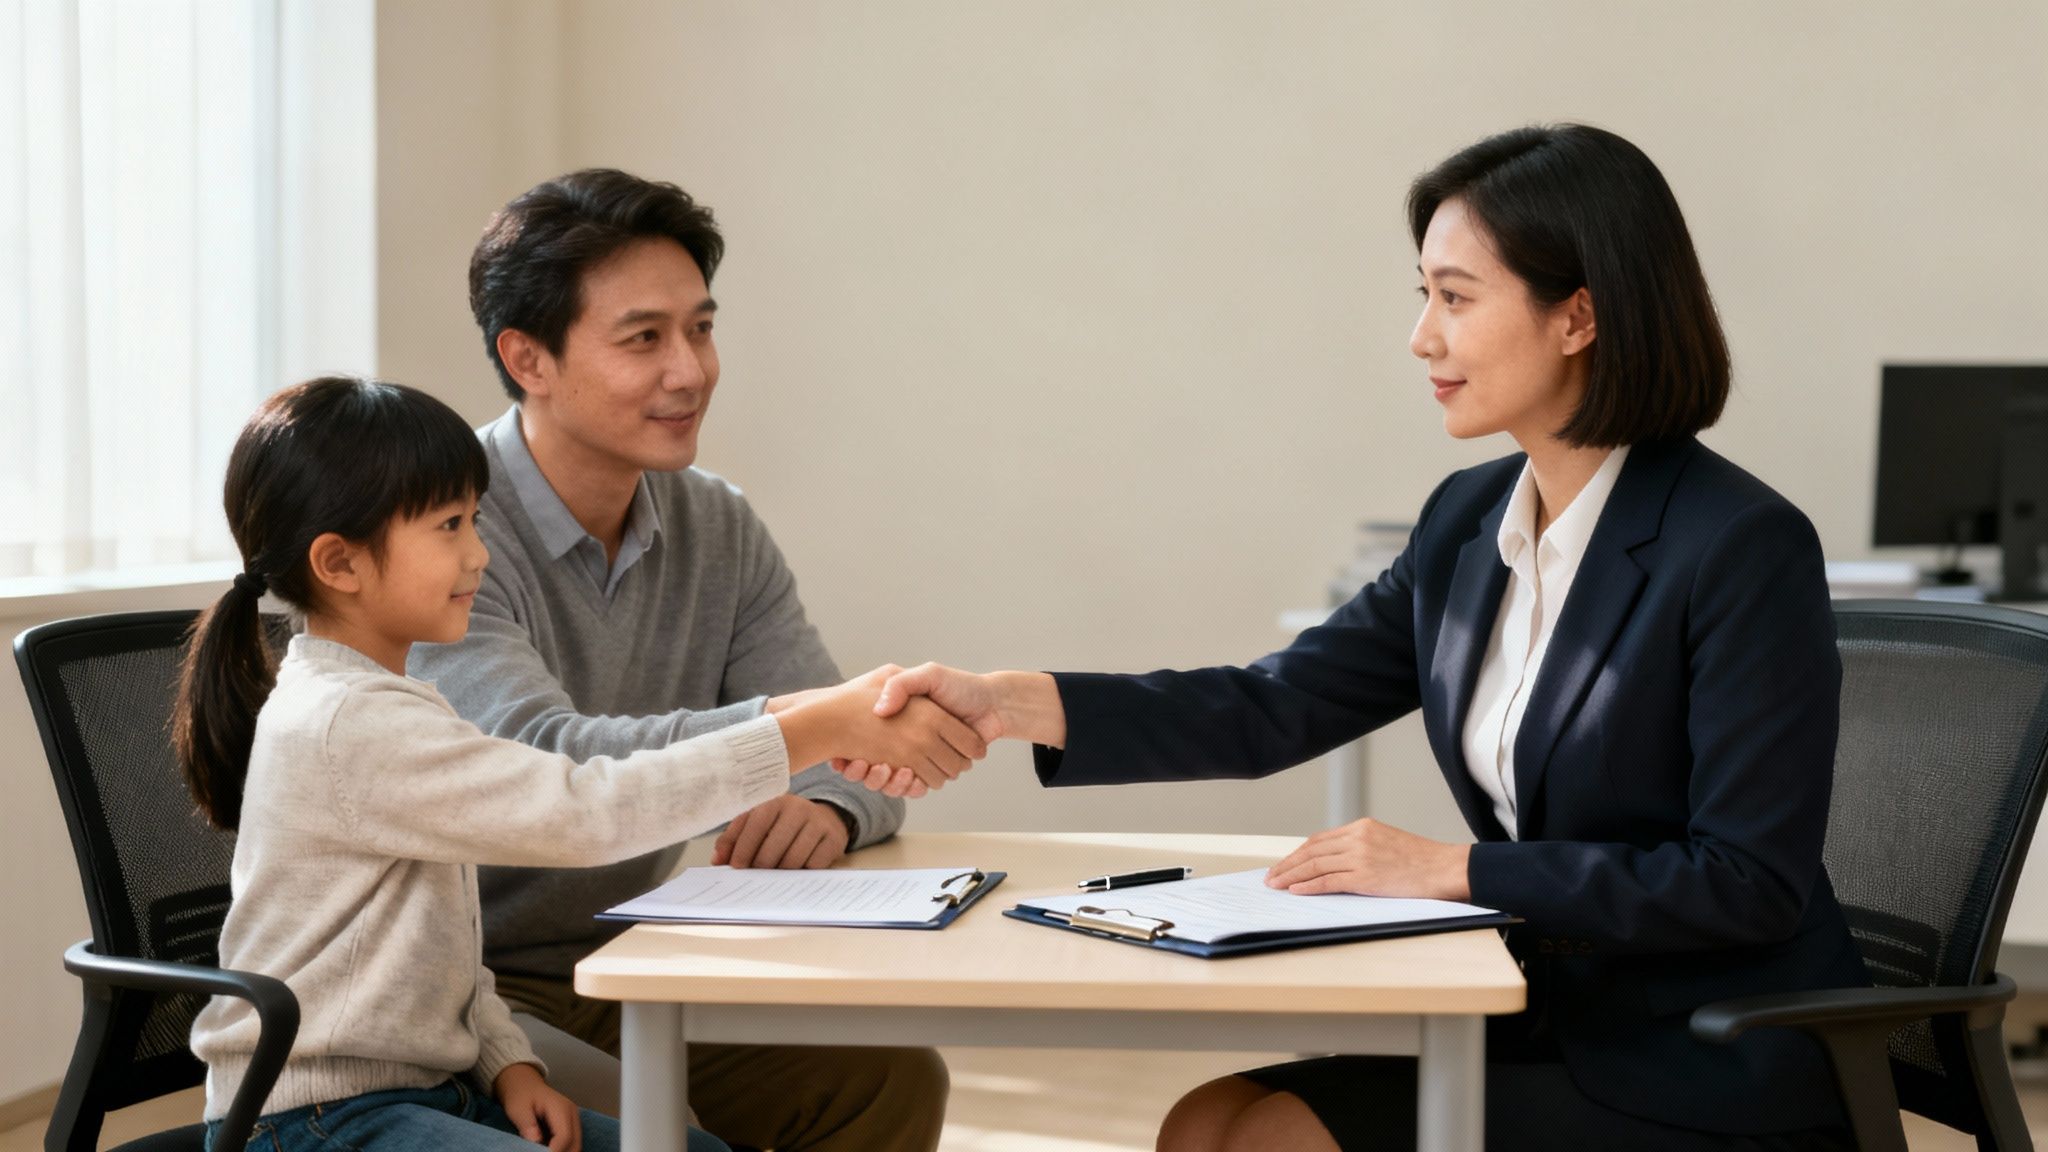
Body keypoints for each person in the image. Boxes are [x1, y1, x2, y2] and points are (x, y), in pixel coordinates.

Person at [845, 125, 1867, 1151]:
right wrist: (1019, 704)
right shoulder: (1466, 524)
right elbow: (1273, 706)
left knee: (1268, 1139)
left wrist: (1453, 870)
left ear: (1577, 317)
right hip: (1539, 1015)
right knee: (1202, 1121)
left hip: (1703, 1061)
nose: (1421, 337)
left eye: (1454, 298)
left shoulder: (1737, 546)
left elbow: (1745, 883)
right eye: (1421, 295)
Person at [176, 377, 981, 1152]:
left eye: (475, 523)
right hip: (319, 1119)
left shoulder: (392, 705)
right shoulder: (352, 723)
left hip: (429, 1085)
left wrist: (507, 1060)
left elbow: (447, 948)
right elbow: (587, 811)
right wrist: (798, 729)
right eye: (449, 527)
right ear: (340, 565)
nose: (479, 556)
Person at [406, 170, 951, 1145]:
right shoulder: (442, 530)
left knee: (885, 1081)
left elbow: (859, 757)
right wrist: (809, 729)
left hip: (636, 961)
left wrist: (823, 802)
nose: (690, 370)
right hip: (458, 996)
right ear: (527, 358)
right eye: (643, 338)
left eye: (700, 328)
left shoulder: (715, 524)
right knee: (668, 1130)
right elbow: (548, 763)